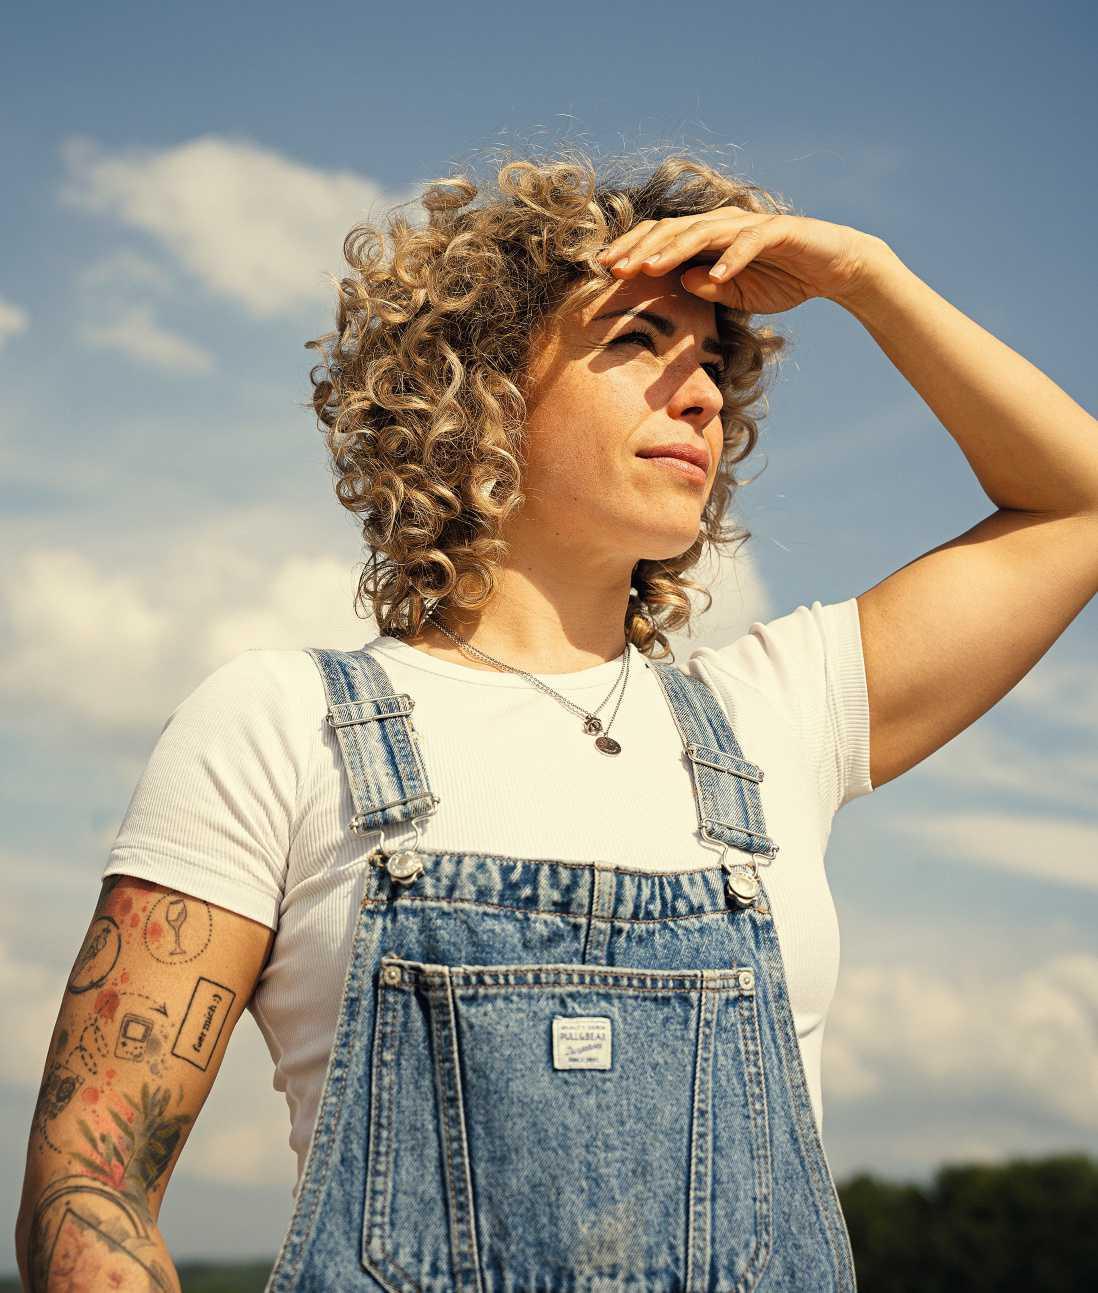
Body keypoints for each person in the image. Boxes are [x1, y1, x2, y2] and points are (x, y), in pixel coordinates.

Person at [16, 145, 1098, 1292]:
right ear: (477, 390)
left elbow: (1074, 506)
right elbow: (90, 1180)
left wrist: (867, 277)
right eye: (636, 340)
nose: (702, 395)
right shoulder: (278, 725)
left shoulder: (778, 715)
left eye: (712, 364)